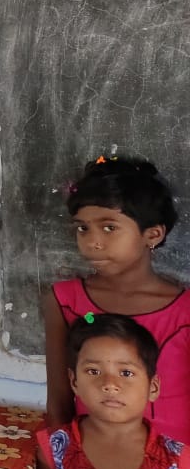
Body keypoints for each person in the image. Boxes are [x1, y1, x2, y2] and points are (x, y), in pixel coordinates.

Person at [43, 156, 190, 443]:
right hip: (92, 458)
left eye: (109, 227)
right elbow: (59, 401)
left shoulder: (184, 312)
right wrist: (63, 462)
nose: (92, 242)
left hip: (176, 463)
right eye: (83, 228)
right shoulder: (64, 301)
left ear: (153, 234)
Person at [34, 313, 190, 469]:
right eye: (93, 371)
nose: (109, 384)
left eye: (126, 372)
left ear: (153, 387)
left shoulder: (178, 458)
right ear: (74, 381)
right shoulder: (55, 447)